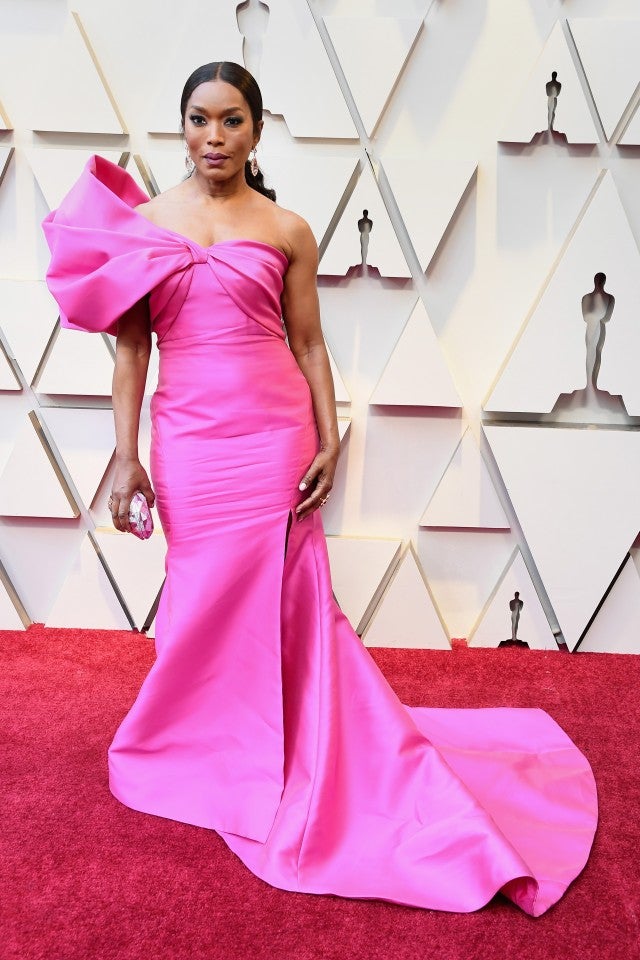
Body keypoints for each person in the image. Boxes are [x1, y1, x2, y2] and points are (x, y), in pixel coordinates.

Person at [43, 61, 597, 917]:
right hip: (189, 439)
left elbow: (308, 344)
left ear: (258, 132)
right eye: (198, 119)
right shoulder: (144, 226)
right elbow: (130, 351)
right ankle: (203, 747)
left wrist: (331, 439)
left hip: (274, 437)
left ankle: (303, 743)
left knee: (290, 598)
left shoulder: (289, 229)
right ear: (180, 127)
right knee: (197, 595)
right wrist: (124, 457)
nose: (214, 136)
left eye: (232, 120)